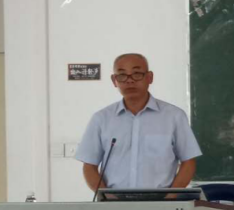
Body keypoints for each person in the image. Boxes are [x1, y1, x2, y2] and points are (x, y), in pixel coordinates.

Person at [76, 53, 202, 191]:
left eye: (137, 74)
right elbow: (89, 166)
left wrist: (171, 196)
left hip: (161, 200)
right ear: (114, 80)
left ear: (150, 77)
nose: (130, 81)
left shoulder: (174, 116)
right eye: (122, 75)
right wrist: (107, 196)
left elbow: (188, 161)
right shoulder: (101, 119)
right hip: (114, 200)